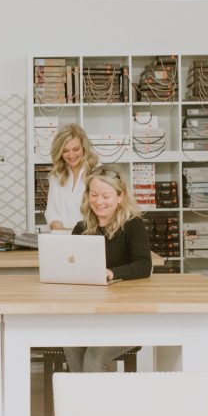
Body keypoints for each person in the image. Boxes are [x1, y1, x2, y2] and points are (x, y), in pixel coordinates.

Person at [64, 164, 152, 372]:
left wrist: (113, 273)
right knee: (71, 345)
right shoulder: (81, 228)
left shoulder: (133, 225)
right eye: (94, 195)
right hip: (91, 315)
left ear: (120, 197)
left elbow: (144, 265)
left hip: (126, 317)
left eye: (106, 196)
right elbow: (71, 265)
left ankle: (93, 404)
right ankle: (80, 403)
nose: (99, 201)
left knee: (94, 358)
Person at [45, 124, 100, 231]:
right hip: (62, 239)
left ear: (84, 147)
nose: (71, 155)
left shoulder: (97, 172)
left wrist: (76, 234)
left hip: (90, 236)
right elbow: (51, 211)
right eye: (65, 151)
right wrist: (59, 229)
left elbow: (103, 212)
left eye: (76, 149)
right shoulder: (56, 175)